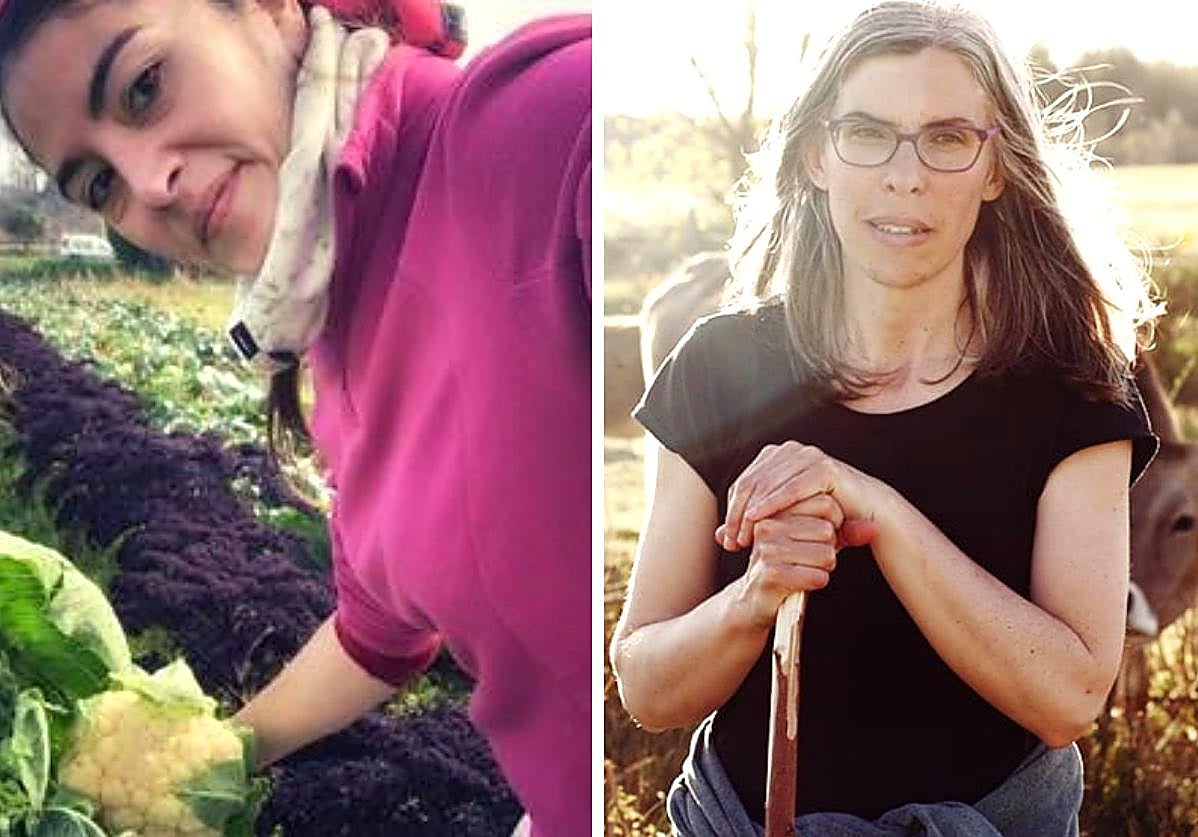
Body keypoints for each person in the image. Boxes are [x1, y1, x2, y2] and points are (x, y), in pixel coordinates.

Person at [0, 1, 590, 835]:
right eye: (98, 184)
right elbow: (378, 630)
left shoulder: (552, 130)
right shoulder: (331, 332)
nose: (146, 183)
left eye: (143, 88)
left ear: (273, 11)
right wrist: (203, 756)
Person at [610, 2, 1159, 834]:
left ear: (996, 166)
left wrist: (883, 513)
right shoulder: (719, 367)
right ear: (814, 156)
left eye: (946, 138)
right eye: (867, 132)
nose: (906, 176)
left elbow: (1070, 698)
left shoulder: (1071, 389)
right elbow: (648, 690)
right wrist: (756, 594)